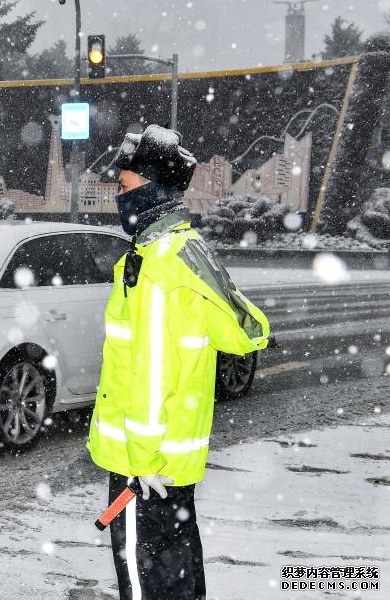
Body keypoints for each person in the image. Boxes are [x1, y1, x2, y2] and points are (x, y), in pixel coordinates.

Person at [86, 125, 271, 600]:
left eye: (125, 189)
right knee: (177, 577)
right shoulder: (185, 251)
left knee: (146, 584)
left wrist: (144, 465)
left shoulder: (159, 267)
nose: (119, 199)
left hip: (144, 467)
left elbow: (151, 374)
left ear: (152, 190)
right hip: (175, 465)